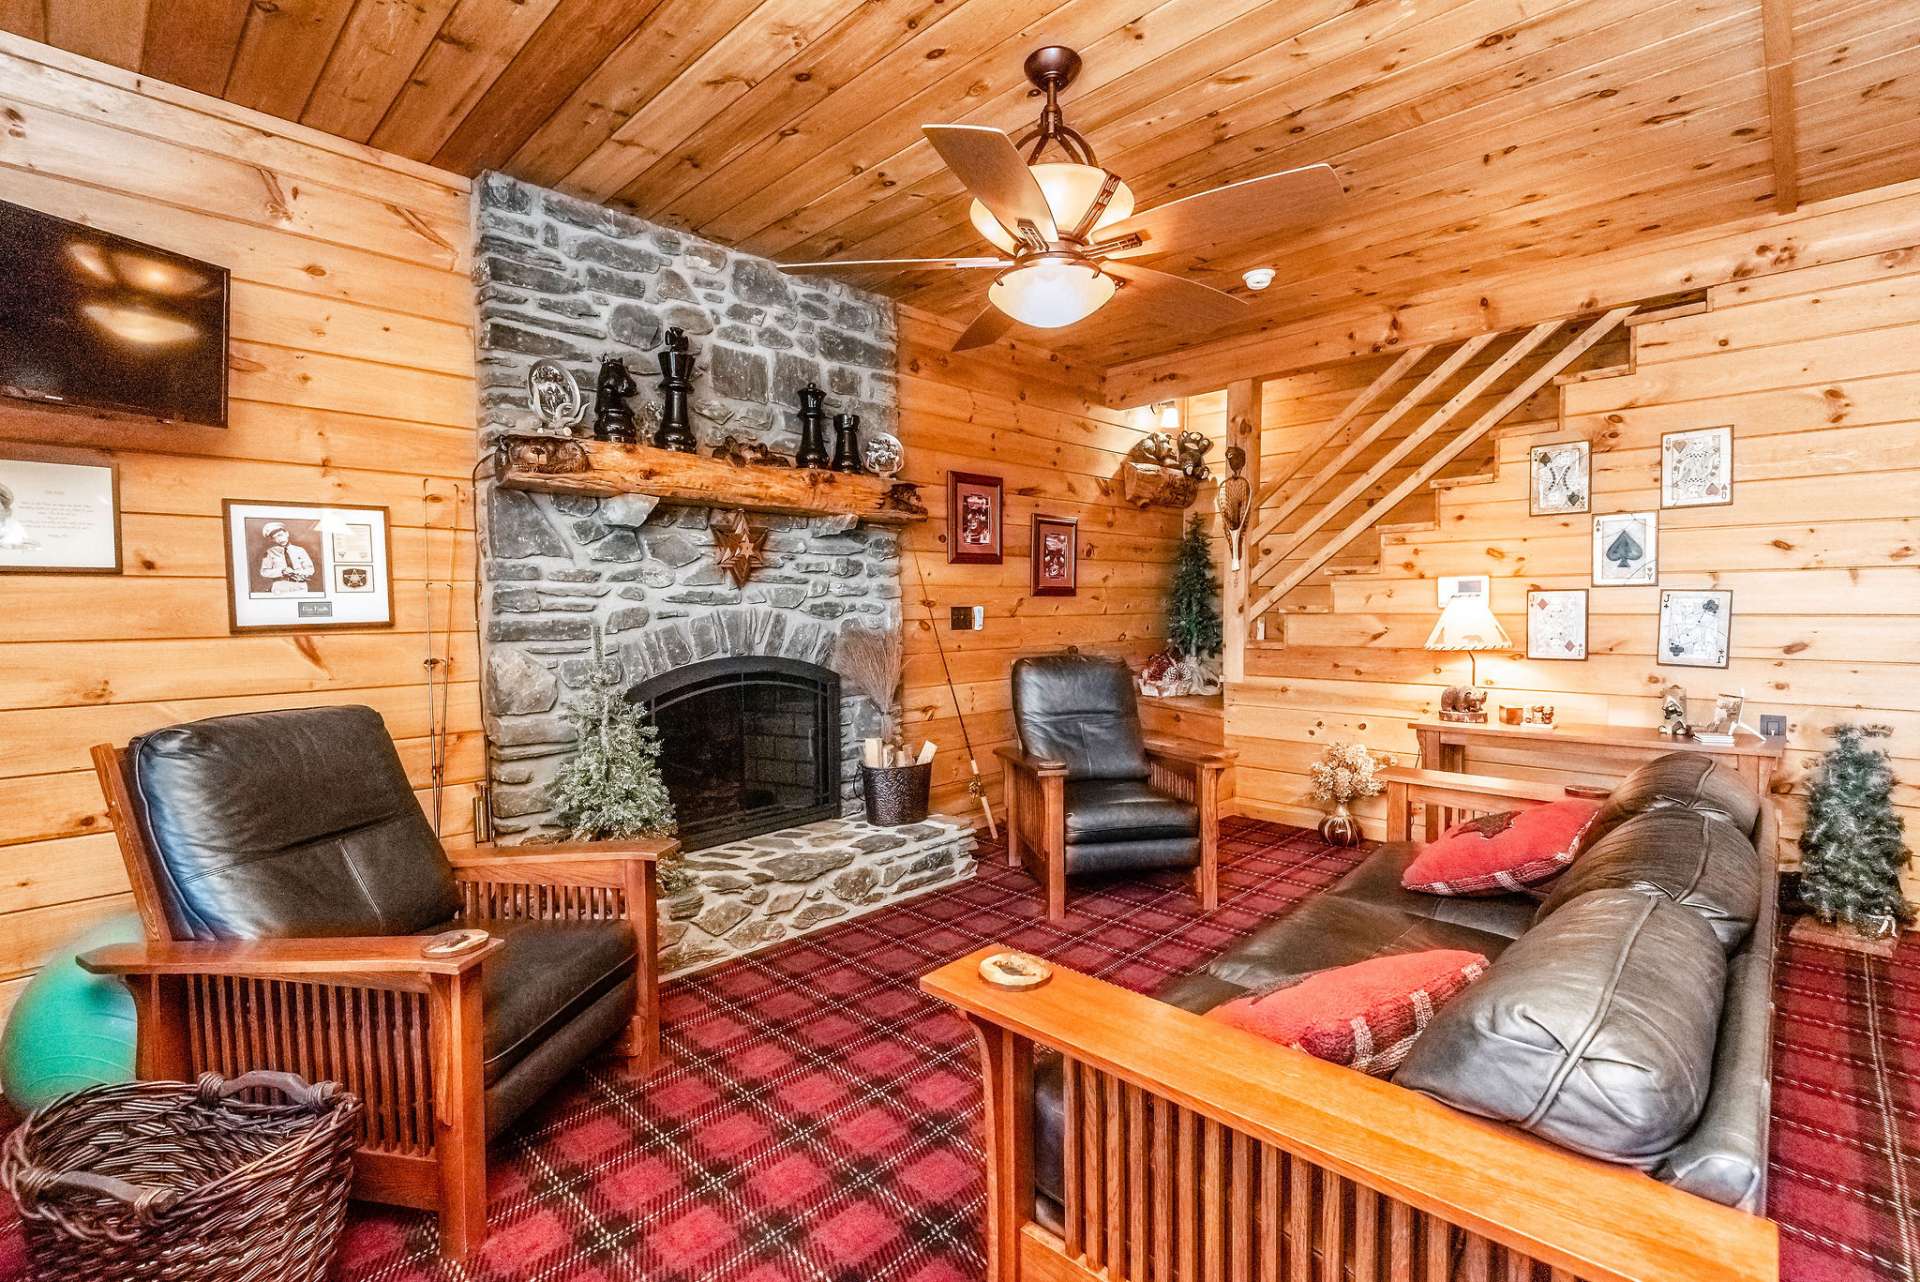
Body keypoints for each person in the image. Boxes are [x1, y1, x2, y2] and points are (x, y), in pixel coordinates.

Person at [258, 521, 315, 594]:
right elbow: (264, 572)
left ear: (287, 533)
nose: (279, 539)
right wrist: (282, 571)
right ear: (272, 540)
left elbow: (310, 569)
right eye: (275, 538)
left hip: (300, 586)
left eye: (280, 535)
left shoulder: (300, 550)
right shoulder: (270, 552)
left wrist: (296, 572)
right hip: (280, 587)